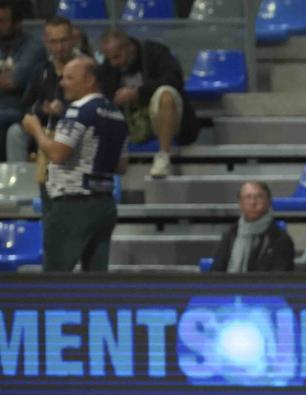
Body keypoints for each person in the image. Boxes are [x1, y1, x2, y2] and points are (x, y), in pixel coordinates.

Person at [21, 57, 128, 272]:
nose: (62, 83)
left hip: (73, 206)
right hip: (105, 204)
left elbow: (58, 155)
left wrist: (36, 130)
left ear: (89, 80)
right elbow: (121, 166)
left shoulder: (77, 111)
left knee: (55, 276)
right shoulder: (117, 115)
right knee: (95, 280)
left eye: (69, 78)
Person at [98, 28, 199, 178]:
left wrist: (138, 92)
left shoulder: (155, 52)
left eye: (117, 57)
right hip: (133, 123)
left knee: (165, 93)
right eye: (109, 58)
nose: (114, 63)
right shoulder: (109, 66)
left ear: (130, 47)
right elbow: (105, 95)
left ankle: (163, 156)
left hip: (166, 116)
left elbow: (175, 80)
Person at [7, 16, 78, 170]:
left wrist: (64, 109)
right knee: (15, 132)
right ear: (46, 42)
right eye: (53, 42)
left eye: (63, 40)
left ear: (73, 39)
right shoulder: (42, 70)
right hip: (44, 127)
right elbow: (24, 107)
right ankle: (20, 185)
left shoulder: (85, 68)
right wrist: (41, 109)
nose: (59, 47)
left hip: (74, 127)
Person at [210, 181, 295, 272]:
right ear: (240, 203)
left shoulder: (280, 239)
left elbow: (280, 278)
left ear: (269, 202)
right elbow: (216, 271)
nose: (252, 202)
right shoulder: (230, 234)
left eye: (258, 197)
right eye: (248, 197)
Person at [0, 0, 45, 160]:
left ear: (17, 22)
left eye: (2, 21)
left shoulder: (33, 46)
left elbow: (14, 81)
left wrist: (9, 80)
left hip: (19, 108)